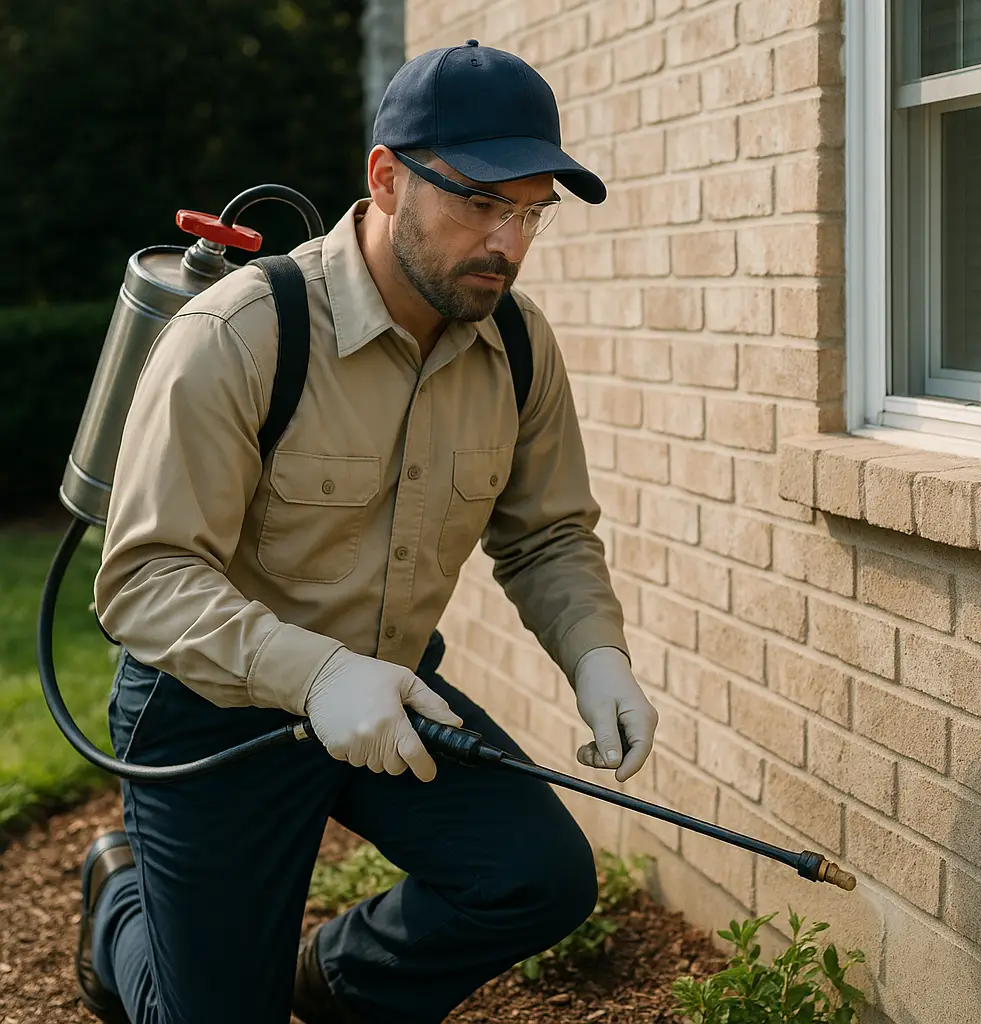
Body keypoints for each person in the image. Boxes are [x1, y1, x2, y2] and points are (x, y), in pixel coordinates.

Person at [75, 38, 659, 1024]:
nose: (507, 244)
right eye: (479, 201)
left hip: (385, 689)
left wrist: (597, 653)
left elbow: (547, 531)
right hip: (211, 709)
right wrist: (314, 674)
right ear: (386, 179)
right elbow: (142, 580)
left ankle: (337, 983)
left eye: (529, 212)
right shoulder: (238, 337)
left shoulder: (516, 343)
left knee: (537, 876)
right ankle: (118, 909)